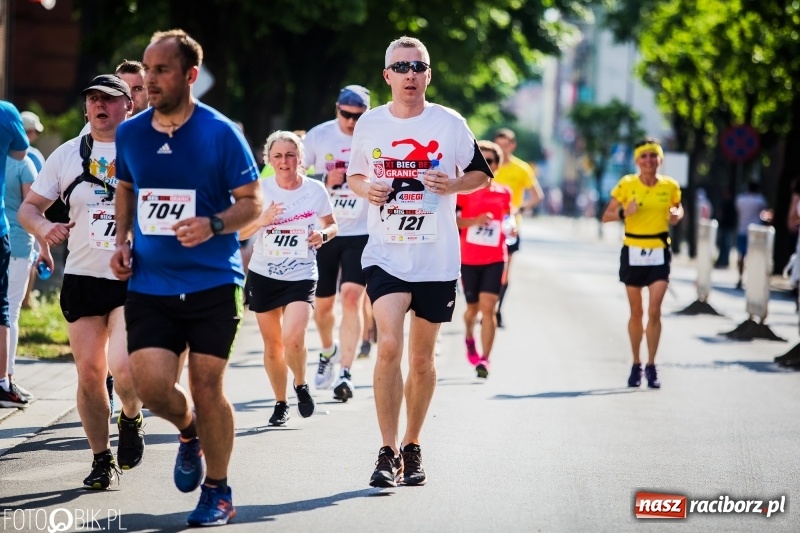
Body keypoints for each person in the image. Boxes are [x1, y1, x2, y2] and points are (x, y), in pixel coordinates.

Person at [110, 29, 262, 527]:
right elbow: (127, 189)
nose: (149, 80)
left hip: (213, 281)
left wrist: (215, 224)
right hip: (151, 283)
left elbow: (252, 203)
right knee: (149, 387)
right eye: (147, 71)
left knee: (206, 383)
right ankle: (189, 430)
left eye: (161, 71)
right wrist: (122, 241)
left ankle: (218, 490)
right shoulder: (132, 133)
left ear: (189, 75)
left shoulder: (220, 133)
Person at [346, 36, 493, 487]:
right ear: (387, 75)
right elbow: (354, 174)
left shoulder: (449, 123)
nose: (410, 74)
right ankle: (387, 451)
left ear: (428, 74)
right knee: (388, 344)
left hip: (437, 259)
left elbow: (479, 175)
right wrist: (364, 189)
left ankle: (412, 443)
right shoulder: (370, 125)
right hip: (386, 254)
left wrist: (452, 186)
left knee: (423, 360)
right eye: (401, 67)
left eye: (418, 66)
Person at [18, 75, 147, 488]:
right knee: (90, 373)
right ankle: (100, 458)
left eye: (109, 99)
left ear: (128, 104)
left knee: (123, 368)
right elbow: (29, 207)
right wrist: (43, 228)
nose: (99, 105)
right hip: (82, 277)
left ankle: (131, 416)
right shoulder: (67, 154)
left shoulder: (147, 149)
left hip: (133, 278)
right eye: (93, 99)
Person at [240, 130, 336, 426]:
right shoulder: (259, 188)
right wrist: (262, 221)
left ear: (300, 158)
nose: (284, 161)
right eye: (278, 156)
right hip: (263, 273)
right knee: (273, 346)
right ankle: (280, 402)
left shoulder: (315, 190)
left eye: (290, 155)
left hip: (301, 273)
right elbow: (240, 234)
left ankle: (301, 383)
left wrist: (322, 235)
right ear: (268, 159)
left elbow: (332, 226)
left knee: (293, 338)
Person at [601, 137, 683, 389]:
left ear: (660, 159)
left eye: (653, 155)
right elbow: (606, 216)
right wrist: (625, 212)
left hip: (659, 250)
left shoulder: (670, 186)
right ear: (637, 161)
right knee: (636, 312)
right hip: (633, 250)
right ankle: (636, 363)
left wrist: (676, 215)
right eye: (644, 156)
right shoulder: (626, 184)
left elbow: (678, 210)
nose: (649, 160)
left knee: (655, 311)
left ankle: (652, 365)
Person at [305, 85, 370, 401]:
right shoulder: (319, 136)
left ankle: (346, 371)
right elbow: (293, 177)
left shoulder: (374, 135)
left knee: (352, 298)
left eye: (359, 116)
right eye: (346, 114)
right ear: (337, 109)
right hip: (326, 230)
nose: (352, 122)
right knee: (325, 303)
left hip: (361, 231)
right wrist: (323, 181)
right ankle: (328, 351)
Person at [456, 141, 513, 379]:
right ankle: (469, 334)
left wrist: (512, 228)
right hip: (468, 258)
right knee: (472, 310)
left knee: (489, 309)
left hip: (495, 257)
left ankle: (485, 360)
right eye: (482, 161)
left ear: (497, 166)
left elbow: (508, 218)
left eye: (490, 161)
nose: (486, 165)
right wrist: (474, 221)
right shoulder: (463, 192)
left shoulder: (504, 193)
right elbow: (454, 221)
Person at [492, 128, 543, 328]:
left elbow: (537, 196)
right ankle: (484, 309)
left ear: (512, 146)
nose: (501, 150)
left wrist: (519, 209)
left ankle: (497, 310)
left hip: (508, 227)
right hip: (484, 224)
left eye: (505, 146)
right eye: (498, 146)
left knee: (503, 271)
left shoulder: (521, 168)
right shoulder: (487, 164)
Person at [0, 101, 30, 409]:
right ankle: (4, 379)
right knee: (6, 309)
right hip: (6, 233)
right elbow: (20, 151)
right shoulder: (7, 112)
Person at [5, 154, 39, 401]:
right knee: (10, 313)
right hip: (16, 244)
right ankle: (7, 379)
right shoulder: (22, 163)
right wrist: (44, 247)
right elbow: (33, 208)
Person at [735, 182, 772, 289]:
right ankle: (753, 279)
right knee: (755, 257)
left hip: (742, 229)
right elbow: (765, 213)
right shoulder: (760, 200)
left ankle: (740, 277)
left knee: (741, 255)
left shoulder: (740, 199)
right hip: (756, 232)